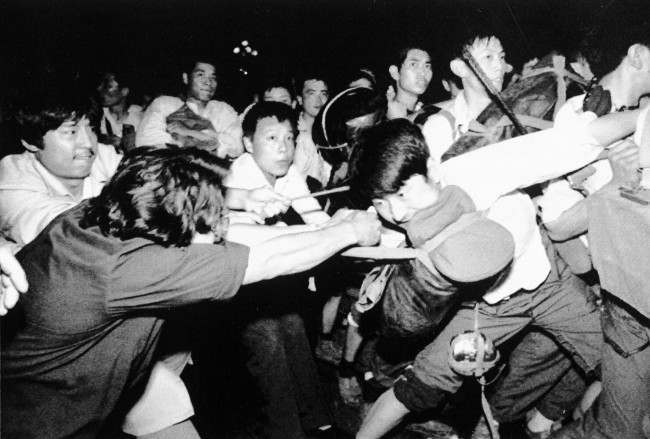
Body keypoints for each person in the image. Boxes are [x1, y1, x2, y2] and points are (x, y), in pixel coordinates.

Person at [1, 147, 382, 438]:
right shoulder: (136, 268)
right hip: (39, 417)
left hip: (116, 373)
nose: (218, 231)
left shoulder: (102, 213)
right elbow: (262, 259)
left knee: (166, 404)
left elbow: (220, 235)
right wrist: (348, 233)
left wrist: (309, 227)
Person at [350, 113, 642, 439]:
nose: (398, 213)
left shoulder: (474, 171)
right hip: (480, 308)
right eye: (382, 202)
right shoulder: (392, 222)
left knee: (625, 363)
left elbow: (574, 141)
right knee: (418, 388)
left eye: (402, 194)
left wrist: (643, 116)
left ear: (431, 170)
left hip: (549, 283)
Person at [226, 101, 329, 225]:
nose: (284, 148)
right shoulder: (238, 175)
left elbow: (314, 215)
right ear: (249, 144)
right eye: (272, 138)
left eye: (289, 138)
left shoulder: (290, 172)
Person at [421, 33, 511, 161]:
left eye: (501, 57)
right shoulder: (441, 128)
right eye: (488, 56)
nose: (499, 66)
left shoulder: (517, 110)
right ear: (459, 68)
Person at [135, 58, 243, 158]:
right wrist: (213, 140)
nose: (208, 82)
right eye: (201, 75)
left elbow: (236, 148)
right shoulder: (166, 105)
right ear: (186, 78)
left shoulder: (223, 110)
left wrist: (189, 133)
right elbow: (148, 142)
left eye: (213, 78)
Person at [293, 72, 331, 185]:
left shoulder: (332, 133)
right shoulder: (292, 131)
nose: (318, 100)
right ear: (300, 99)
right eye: (311, 93)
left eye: (323, 94)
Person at [91, 71, 143, 152]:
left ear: (124, 91)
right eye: (101, 87)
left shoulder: (141, 115)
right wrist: (104, 139)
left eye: (108, 87)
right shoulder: (97, 115)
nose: (101, 91)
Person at [385, 46, 433, 120]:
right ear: (395, 72)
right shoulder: (379, 117)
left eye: (427, 66)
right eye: (413, 64)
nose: (423, 73)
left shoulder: (432, 114)